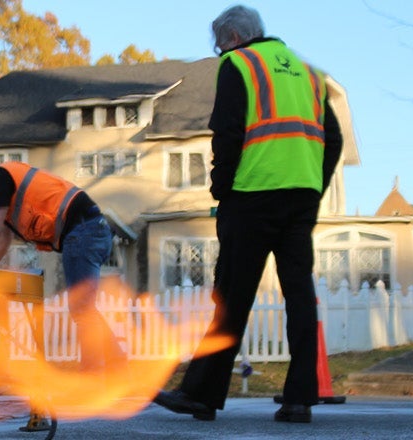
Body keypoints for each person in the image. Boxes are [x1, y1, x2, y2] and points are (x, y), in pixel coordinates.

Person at [153, 5, 344, 423]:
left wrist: (222, 191)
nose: (220, 52)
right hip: (301, 198)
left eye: (220, 45)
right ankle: (300, 399)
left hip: (252, 194)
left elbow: (228, 131)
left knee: (232, 295)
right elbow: (334, 138)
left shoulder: (238, 64)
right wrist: (315, 184)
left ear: (235, 38)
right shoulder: (310, 73)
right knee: (299, 295)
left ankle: (201, 395)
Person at [0, 161, 127, 373]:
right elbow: (1, 238)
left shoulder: (0, 177)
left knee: (82, 307)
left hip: (83, 231)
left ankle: (97, 371)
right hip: (90, 232)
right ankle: (116, 363)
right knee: (83, 307)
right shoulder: (8, 198)